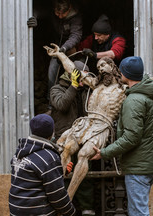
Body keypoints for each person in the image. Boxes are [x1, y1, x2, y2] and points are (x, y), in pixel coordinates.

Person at [43, 43, 153, 202]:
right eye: (99, 66)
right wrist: (60, 54)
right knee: (65, 146)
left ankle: (68, 198)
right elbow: (72, 68)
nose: (101, 68)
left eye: (104, 64)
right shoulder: (95, 84)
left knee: (83, 154)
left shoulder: (124, 89)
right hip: (86, 123)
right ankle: (56, 193)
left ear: (114, 67)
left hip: (102, 126)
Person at [90, 56, 153, 215]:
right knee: (139, 208)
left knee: (138, 212)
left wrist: (105, 152)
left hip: (139, 167)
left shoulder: (134, 100)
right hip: (147, 164)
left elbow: (131, 137)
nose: (119, 72)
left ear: (126, 74)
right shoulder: (149, 94)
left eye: (122, 70)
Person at [50, 61, 97, 216]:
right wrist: (74, 85)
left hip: (83, 139)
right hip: (64, 142)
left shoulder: (87, 91)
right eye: (83, 74)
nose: (86, 78)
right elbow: (62, 104)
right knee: (63, 175)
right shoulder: (56, 89)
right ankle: (63, 209)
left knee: (84, 176)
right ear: (73, 74)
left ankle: (87, 208)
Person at [8, 114, 76, 216]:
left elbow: (31, 181)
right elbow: (57, 196)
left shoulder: (20, 152)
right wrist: (71, 212)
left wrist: (59, 172)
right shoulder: (49, 158)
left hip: (16, 211)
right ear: (52, 133)